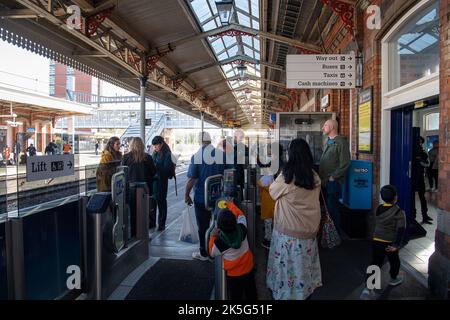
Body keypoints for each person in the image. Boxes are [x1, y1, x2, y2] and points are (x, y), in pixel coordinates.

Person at [267, 138, 322, 300]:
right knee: (304, 272)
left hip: (287, 235)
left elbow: (272, 192)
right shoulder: (314, 176)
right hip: (309, 233)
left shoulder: (287, 176)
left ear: (290, 154)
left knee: (287, 271)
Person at [360, 185, 407, 299]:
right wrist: (396, 245)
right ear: (395, 198)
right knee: (394, 262)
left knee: (375, 263)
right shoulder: (399, 212)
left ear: (382, 198)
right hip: (389, 244)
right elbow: (401, 230)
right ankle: (393, 279)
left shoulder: (379, 208)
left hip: (377, 241)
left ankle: (368, 289)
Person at [185, 131, 225, 261]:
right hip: (218, 198)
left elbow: (191, 179)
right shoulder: (221, 155)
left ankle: (203, 252)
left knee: (203, 226)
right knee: (217, 224)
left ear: (200, 141)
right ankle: (217, 250)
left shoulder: (197, 156)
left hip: (202, 199)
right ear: (210, 141)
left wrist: (186, 195)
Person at [208, 201, 257, 300]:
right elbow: (240, 215)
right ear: (235, 221)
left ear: (220, 228)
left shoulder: (219, 243)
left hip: (234, 275)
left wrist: (212, 236)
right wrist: (230, 204)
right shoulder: (242, 228)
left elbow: (212, 253)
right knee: (251, 293)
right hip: (248, 269)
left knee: (235, 296)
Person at [319, 119, 351, 235]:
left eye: (325, 125)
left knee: (333, 209)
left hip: (333, 182)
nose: (323, 128)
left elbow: (346, 163)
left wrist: (334, 176)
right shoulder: (328, 141)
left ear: (332, 127)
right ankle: (329, 234)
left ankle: (335, 235)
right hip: (324, 181)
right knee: (328, 208)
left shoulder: (341, 142)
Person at [151, 136, 174, 231]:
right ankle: (152, 223)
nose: (154, 147)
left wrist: (156, 166)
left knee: (161, 203)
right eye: (153, 146)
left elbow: (167, 170)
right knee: (153, 204)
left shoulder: (167, 154)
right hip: (154, 182)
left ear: (161, 144)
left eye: (156, 145)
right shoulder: (155, 153)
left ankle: (161, 224)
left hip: (161, 183)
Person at [412, 136, 432, 224]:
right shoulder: (411, 151)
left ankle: (425, 216)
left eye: (421, 142)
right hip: (412, 177)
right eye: (418, 142)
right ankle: (413, 216)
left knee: (422, 197)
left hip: (420, 177)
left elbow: (428, 164)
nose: (419, 143)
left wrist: (420, 161)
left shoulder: (423, 152)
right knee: (411, 197)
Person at [233, 129, 249, 199]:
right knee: (240, 189)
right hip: (239, 171)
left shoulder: (237, 147)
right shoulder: (243, 147)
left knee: (236, 192)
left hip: (237, 172)